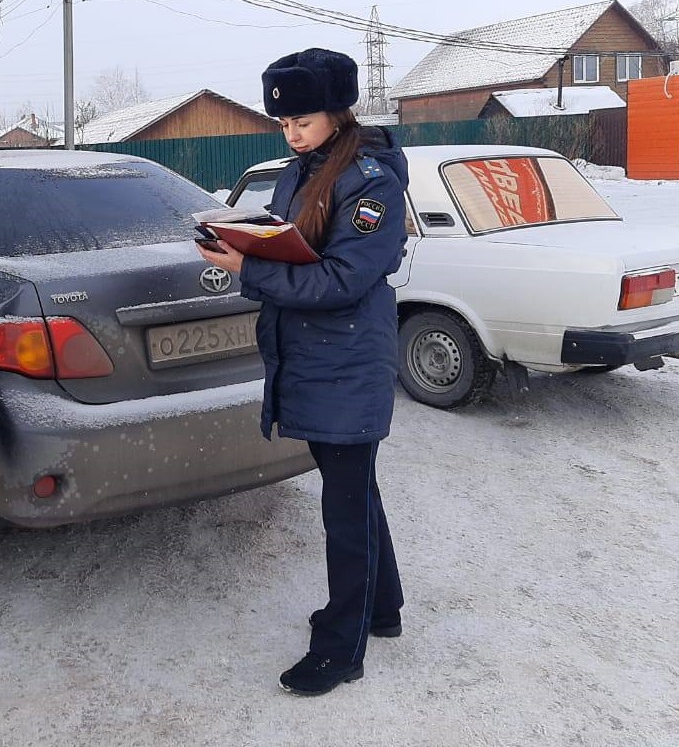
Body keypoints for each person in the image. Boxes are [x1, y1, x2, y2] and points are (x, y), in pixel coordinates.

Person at [198, 48, 407, 697]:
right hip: (312, 357)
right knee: (354, 491)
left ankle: (340, 647)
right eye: (282, 123)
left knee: (343, 508)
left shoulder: (369, 178)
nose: (291, 133)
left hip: (345, 358)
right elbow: (291, 239)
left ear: (338, 111)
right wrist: (244, 240)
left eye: (303, 120)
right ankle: (381, 607)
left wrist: (249, 269)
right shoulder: (301, 170)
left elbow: (344, 276)